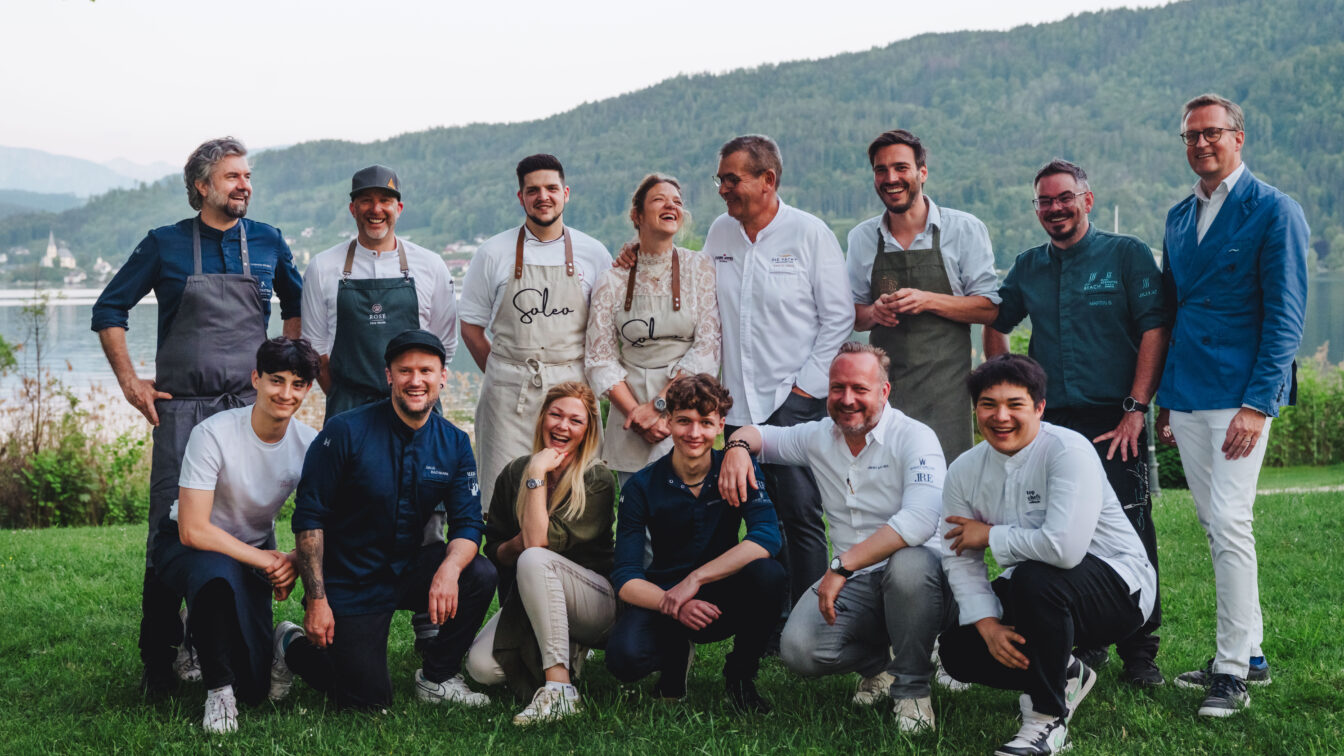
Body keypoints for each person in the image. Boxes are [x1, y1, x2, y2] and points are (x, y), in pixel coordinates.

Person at [90, 136, 303, 694]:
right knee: (171, 531)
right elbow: (109, 308)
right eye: (232, 177)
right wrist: (131, 383)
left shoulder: (269, 242)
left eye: (247, 176)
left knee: (251, 525)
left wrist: (286, 371)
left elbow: (298, 306)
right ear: (201, 186)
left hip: (250, 414)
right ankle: (161, 658)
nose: (244, 186)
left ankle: (243, 648)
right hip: (183, 414)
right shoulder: (164, 245)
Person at [983, 158, 1169, 687]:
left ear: (1086, 200)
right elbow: (996, 320)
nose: (1055, 208)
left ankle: (1140, 649)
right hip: (1052, 421)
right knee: (1060, 528)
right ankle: (1085, 639)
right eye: (1044, 201)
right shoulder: (1028, 265)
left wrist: (1136, 408)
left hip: (1116, 416)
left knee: (1130, 528)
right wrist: (1002, 380)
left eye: (1064, 197)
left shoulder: (1125, 254)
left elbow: (1155, 328)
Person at [1155, 93, 1309, 717]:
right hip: (1188, 392)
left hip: (1240, 395)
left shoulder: (1275, 210)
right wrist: (1166, 398)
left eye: (1212, 133)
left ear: (1238, 137)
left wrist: (1258, 403)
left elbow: (1286, 317)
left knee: (1230, 522)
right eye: (1191, 136)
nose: (1201, 144)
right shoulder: (1176, 215)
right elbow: (1171, 311)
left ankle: (1230, 673)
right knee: (1215, 524)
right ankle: (1254, 656)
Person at [719, 342, 955, 732]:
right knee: (799, 650)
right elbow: (760, 434)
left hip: (923, 582)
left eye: (860, 389)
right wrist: (738, 447)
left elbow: (919, 520)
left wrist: (841, 565)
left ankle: (913, 690)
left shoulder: (916, 437)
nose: (847, 400)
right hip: (858, 582)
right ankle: (880, 667)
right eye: (837, 388)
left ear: (884, 391)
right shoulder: (818, 437)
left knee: (909, 564)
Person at [938, 355, 1156, 756]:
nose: (1000, 416)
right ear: (976, 409)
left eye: (1015, 404)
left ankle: (1046, 721)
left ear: (1039, 407)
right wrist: (987, 625)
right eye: (988, 404)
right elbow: (957, 555)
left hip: (1118, 588)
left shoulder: (1067, 451)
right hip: (1036, 588)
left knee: (1036, 578)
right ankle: (1067, 672)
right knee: (958, 651)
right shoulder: (964, 470)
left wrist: (988, 535)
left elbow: (1064, 549)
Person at [273, 329, 497, 710]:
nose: (416, 380)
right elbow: (309, 518)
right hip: (352, 576)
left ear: (442, 376)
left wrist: (448, 571)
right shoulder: (345, 431)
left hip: (409, 566)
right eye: (404, 371)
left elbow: (468, 523)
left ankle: (437, 676)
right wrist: (317, 600)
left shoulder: (455, 443)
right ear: (389, 376)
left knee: (478, 573)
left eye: (426, 370)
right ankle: (289, 644)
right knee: (366, 701)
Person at [705, 134, 853, 613]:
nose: (724, 189)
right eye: (720, 179)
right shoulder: (718, 235)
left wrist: (803, 391)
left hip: (792, 403)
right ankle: (762, 616)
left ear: (768, 180)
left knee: (800, 514)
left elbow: (838, 316)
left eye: (733, 179)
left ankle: (807, 617)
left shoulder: (809, 234)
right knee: (747, 512)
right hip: (734, 405)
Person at [152, 337, 319, 733]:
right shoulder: (213, 433)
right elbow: (194, 529)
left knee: (258, 689)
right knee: (215, 577)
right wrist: (268, 560)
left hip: (251, 550)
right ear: (255, 379)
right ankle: (217, 691)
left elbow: (330, 520)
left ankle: (260, 644)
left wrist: (294, 560)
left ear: (309, 389)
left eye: (297, 384)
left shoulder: (309, 444)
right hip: (186, 544)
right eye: (276, 380)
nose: (285, 393)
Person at [605, 374, 787, 713]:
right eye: (684, 421)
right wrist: (675, 602)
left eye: (705, 422)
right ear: (669, 421)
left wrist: (697, 579)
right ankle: (674, 661)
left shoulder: (736, 468)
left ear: (720, 425)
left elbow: (766, 536)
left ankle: (741, 675)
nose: (694, 433)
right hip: (668, 596)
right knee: (624, 659)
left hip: (723, 594)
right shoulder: (642, 486)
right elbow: (626, 578)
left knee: (769, 575)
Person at [459, 154, 612, 512]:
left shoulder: (594, 253)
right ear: (521, 197)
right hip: (508, 395)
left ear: (566, 193)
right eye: (533, 190)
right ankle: (505, 566)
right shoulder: (492, 253)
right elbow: (470, 325)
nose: (543, 196)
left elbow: (605, 329)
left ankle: (571, 566)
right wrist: (502, 371)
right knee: (503, 494)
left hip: (572, 388)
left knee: (576, 493)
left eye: (551, 188)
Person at [465, 382, 617, 725]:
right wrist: (531, 471)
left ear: (588, 430)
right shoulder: (514, 471)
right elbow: (498, 553)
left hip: (596, 604)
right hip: (534, 595)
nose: (563, 426)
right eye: (556, 415)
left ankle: (560, 689)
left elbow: (534, 545)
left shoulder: (597, 479)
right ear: (542, 418)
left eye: (575, 421)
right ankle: (565, 647)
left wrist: (537, 475)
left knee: (534, 558)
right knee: (481, 668)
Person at [847, 129, 1000, 462]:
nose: (891, 178)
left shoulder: (964, 229)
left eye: (901, 168)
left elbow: (990, 309)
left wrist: (927, 300)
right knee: (885, 484)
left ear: (922, 172)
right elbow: (852, 314)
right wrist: (874, 313)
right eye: (880, 170)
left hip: (947, 393)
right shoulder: (861, 237)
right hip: (884, 395)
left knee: (947, 492)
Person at [585, 174, 720, 484]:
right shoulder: (612, 280)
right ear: (637, 215)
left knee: (692, 513)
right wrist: (638, 416)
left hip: (688, 407)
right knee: (638, 514)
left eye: (677, 202)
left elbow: (707, 348)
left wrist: (660, 406)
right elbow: (599, 358)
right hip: (630, 415)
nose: (671, 205)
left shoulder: (700, 268)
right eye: (659, 199)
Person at [301, 165, 458, 418]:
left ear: (399, 208)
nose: (376, 209)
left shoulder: (431, 265)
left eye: (385, 200)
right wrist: (346, 397)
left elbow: (445, 345)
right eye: (366, 201)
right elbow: (315, 348)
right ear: (353, 209)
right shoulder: (322, 267)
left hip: (416, 410)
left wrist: (418, 397)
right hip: (349, 411)